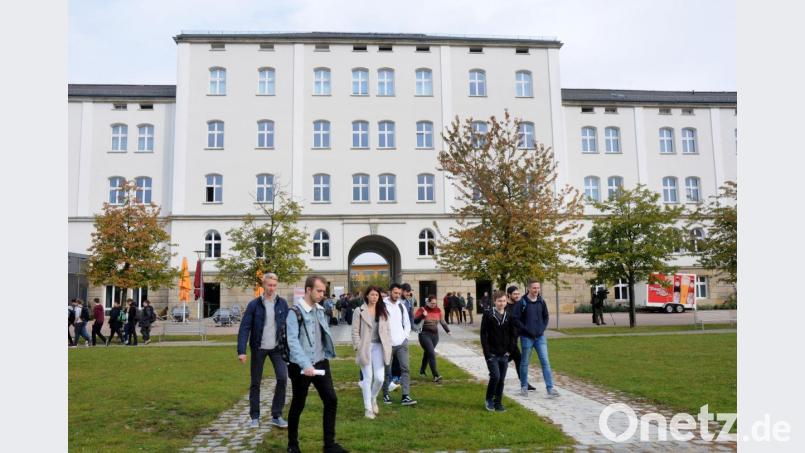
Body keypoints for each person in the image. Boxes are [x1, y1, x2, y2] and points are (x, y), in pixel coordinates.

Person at [285, 275, 347, 453]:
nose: (322, 294)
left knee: (331, 400)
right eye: (319, 291)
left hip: (320, 362)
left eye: (324, 291)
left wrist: (326, 355)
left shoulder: (320, 310)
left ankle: (329, 444)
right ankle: (293, 444)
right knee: (298, 403)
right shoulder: (294, 312)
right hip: (300, 367)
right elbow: (293, 342)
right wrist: (305, 365)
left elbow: (322, 336)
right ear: (308, 290)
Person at [237, 272, 290, 429]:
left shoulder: (282, 304)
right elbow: (245, 327)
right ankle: (255, 416)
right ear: (263, 285)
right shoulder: (254, 304)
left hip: (277, 348)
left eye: (274, 285)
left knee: (282, 378)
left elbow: (289, 327)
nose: (272, 288)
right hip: (258, 348)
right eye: (269, 285)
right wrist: (242, 350)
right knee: (256, 382)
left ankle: (276, 415)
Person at [512, 280, 559, 398]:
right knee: (524, 363)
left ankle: (550, 388)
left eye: (538, 288)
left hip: (540, 338)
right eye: (534, 288)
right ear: (528, 288)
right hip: (526, 338)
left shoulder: (541, 301)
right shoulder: (522, 302)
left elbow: (546, 316)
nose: (536, 290)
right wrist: (525, 329)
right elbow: (515, 319)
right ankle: (524, 387)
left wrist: (542, 328)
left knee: (545, 362)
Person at [351, 285, 392, 419]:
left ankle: (373, 397)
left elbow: (387, 330)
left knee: (379, 378)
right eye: (372, 294)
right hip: (365, 347)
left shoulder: (383, 310)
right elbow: (355, 331)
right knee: (368, 378)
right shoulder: (359, 310)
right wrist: (358, 346)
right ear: (367, 295)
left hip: (379, 347)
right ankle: (368, 408)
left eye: (377, 295)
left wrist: (389, 344)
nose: (374, 297)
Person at [381, 283, 417, 406]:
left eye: (399, 293)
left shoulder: (402, 306)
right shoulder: (382, 305)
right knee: (386, 370)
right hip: (387, 344)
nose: (397, 295)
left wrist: (405, 336)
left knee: (405, 369)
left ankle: (405, 396)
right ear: (390, 291)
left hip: (401, 343)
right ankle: (385, 394)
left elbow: (407, 323)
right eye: (395, 293)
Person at [480, 291, 517, 412]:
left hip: (504, 354)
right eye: (499, 301)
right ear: (494, 301)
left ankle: (498, 402)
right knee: (495, 376)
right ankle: (489, 400)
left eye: (504, 301)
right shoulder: (488, 315)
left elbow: (513, 335)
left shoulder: (509, 316)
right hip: (492, 353)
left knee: (501, 379)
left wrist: (509, 351)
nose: (502, 303)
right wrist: (487, 353)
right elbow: (484, 334)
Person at [505, 286, 536, 391]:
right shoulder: (505, 306)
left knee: (513, 359)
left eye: (518, 294)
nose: (517, 296)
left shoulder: (519, 305)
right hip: (507, 339)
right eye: (515, 294)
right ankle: (524, 383)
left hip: (515, 337)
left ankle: (524, 383)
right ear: (509, 294)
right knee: (517, 359)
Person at [413, 295, 450, 381]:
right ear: (428, 302)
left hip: (435, 336)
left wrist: (447, 330)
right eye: (432, 303)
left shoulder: (438, 310)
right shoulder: (422, 310)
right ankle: (436, 375)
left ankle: (422, 371)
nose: (434, 305)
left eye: (435, 303)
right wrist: (422, 315)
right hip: (424, 335)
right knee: (431, 353)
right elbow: (415, 321)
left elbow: (442, 321)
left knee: (428, 353)